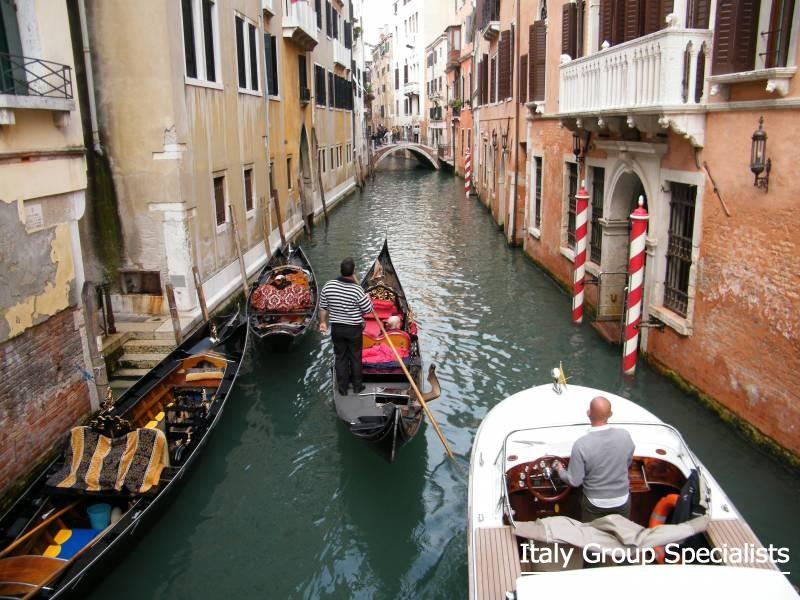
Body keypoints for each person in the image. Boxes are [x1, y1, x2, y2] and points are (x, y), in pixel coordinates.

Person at [555, 396, 635, 522]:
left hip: (595, 502)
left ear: (589, 414)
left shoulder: (581, 444)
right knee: (622, 533)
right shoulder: (625, 435)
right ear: (611, 414)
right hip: (622, 499)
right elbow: (628, 461)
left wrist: (560, 470)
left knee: (592, 535)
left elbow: (574, 481)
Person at [319, 258, 373, 396]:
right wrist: (367, 298)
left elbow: (323, 307)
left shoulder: (329, 286)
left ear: (341, 270)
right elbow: (367, 310)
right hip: (353, 329)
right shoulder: (357, 289)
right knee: (355, 357)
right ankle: (357, 387)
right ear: (353, 271)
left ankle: (342, 389)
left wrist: (322, 322)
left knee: (340, 357)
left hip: (337, 328)